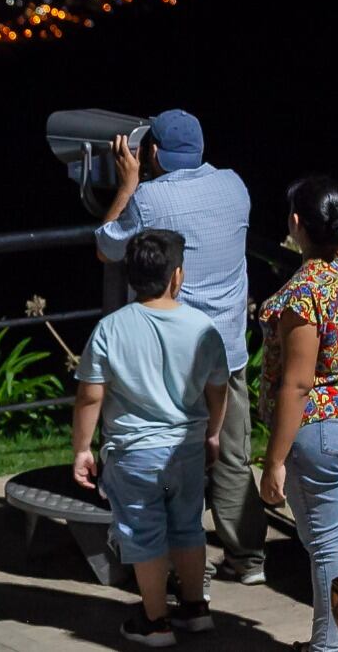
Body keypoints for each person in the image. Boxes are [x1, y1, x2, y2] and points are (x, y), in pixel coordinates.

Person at [96, 109, 265, 586]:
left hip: (168, 358)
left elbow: (106, 247)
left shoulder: (148, 199)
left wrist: (127, 183)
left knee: (165, 457)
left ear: (151, 153)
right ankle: (247, 557)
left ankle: (171, 564)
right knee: (231, 455)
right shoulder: (235, 186)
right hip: (226, 349)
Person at [73, 229, 230, 647]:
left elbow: (90, 395)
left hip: (133, 453)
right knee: (187, 527)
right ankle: (195, 609)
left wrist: (82, 449)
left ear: (130, 275)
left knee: (143, 534)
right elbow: (218, 389)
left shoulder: (110, 329)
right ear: (176, 276)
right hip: (186, 449)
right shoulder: (203, 328)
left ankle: (155, 620)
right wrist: (212, 433)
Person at [259, 176, 338, 652]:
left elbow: (297, 382)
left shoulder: (304, 291)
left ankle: (327, 647)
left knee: (329, 551)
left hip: (324, 432)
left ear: (296, 224)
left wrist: (274, 461)